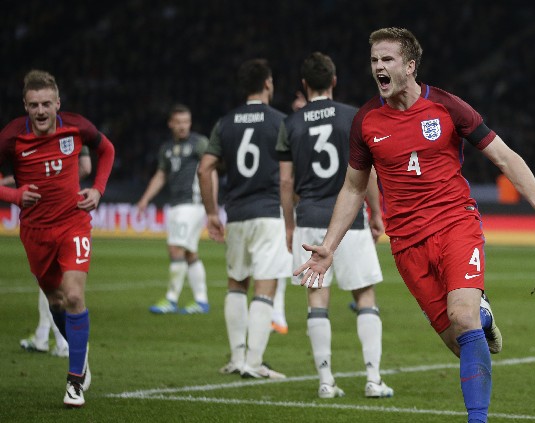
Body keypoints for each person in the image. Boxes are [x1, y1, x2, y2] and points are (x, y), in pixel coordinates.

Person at [294, 28, 535, 423]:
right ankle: (485, 316)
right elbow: (353, 187)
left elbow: (504, 157)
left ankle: (477, 418)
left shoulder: (446, 107)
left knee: (462, 316)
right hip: (406, 244)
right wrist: (329, 246)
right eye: (374, 60)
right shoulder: (366, 121)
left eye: (387, 59)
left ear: (409, 66)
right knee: (462, 342)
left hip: (455, 225)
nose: (378, 67)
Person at [278, 52, 393, 399]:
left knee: (317, 297)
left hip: (310, 218)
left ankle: (326, 382)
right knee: (365, 296)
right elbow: (367, 171)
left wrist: (287, 224)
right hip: (350, 219)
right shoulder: (353, 116)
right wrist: (376, 213)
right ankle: (373, 380)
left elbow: (285, 183)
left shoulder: (292, 124)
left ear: (304, 84)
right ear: (334, 81)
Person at [0, 69, 115, 408]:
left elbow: (106, 149)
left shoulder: (76, 125)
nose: (40, 111)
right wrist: (14, 195)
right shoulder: (9, 137)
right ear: (25, 105)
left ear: (57, 103)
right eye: (34, 105)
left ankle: (74, 381)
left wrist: (98, 188)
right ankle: (81, 354)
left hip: (73, 223)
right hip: (35, 232)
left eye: (46, 104)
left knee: (74, 295)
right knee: (55, 301)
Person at [199, 58, 291, 379]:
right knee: (265, 287)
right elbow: (287, 176)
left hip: (236, 214)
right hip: (268, 214)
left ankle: (237, 358)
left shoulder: (225, 123)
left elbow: (204, 168)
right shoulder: (281, 121)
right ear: (268, 84)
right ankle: (254, 363)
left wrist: (212, 213)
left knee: (236, 284)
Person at [137, 104, 214, 315]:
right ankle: (201, 301)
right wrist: (145, 199)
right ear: (171, 124)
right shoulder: (167, 149)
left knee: (175, 249)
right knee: (189, 253)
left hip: (192, 203)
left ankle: (171, 299)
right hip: (176, 205)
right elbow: (161, 175)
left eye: (186, 122)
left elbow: (210, 170)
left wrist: (211, 205)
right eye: (178, 122)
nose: (182, 126)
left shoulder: (199, 144)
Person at [18, 147, 92, 357]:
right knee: (53, 288)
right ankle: (44, 336)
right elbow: (86, 167)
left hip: (47, 215)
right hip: (59, 214)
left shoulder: (23, 137)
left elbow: (86, 167)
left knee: (55, 287)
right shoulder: (74, 132)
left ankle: (63, 343)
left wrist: (49, 184)